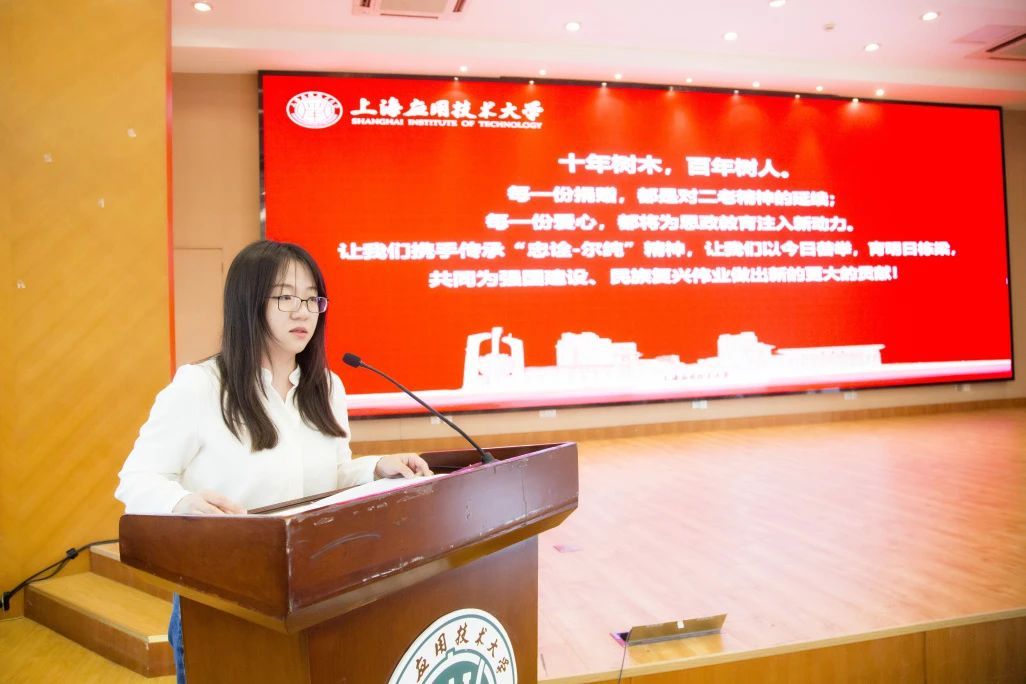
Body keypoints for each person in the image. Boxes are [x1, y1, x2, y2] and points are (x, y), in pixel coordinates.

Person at [115, 240, 431, 682]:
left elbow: (325, 478)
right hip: (222, 595)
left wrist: (375, 468)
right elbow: (137, 478)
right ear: (248, 302)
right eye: (285, 297)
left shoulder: (327, 387)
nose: (303, 312)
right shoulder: (201, 386)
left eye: (312, 299)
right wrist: (182, 503)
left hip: (312, 590)